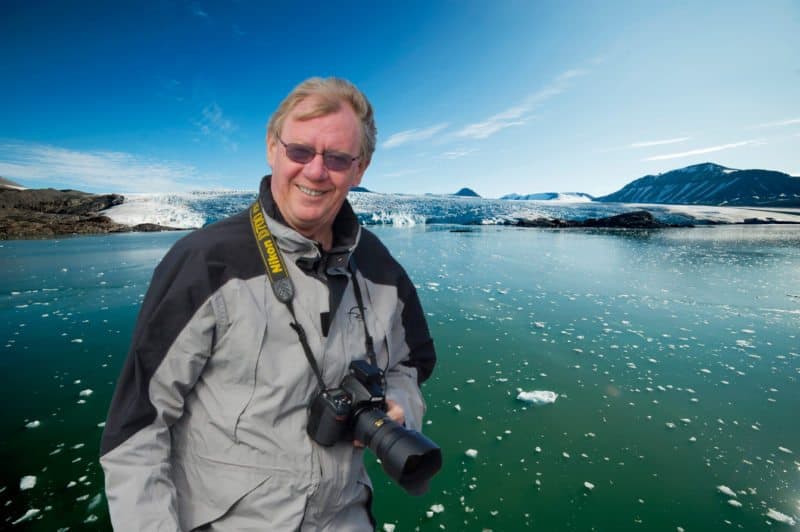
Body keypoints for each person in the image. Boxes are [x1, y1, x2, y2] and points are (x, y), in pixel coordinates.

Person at [100, 77, 436, 531]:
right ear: (272, 149)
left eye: (337, 158)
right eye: (300, 151)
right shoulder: (205, 263)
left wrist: (398, 405)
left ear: (361, 168)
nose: (315, 172)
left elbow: (410, 365)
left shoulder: (380, 268)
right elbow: (137, 430)